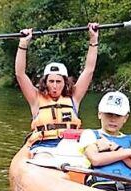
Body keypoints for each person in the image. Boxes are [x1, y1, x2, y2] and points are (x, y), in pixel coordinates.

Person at [16, 23, 99, 158]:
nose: (54, 86)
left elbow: (89, 70)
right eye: (51, 81)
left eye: (58, 82)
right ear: (45, 82)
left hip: (71, 144)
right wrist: (23, 44)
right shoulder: (35, 98)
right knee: (44, 161)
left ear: (65, 82)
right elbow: (20, 74)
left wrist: (93, 40)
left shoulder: (74, 97)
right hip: (44, 146)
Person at [80, 91, 131, 191]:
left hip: (130, 185)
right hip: (101, 183)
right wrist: (128, 153)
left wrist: (115, 147)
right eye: (108, 114)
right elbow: (96, 159)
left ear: (125, 118)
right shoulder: (90, 134)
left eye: (118, 116)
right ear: (100, 114)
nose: (113, 119)